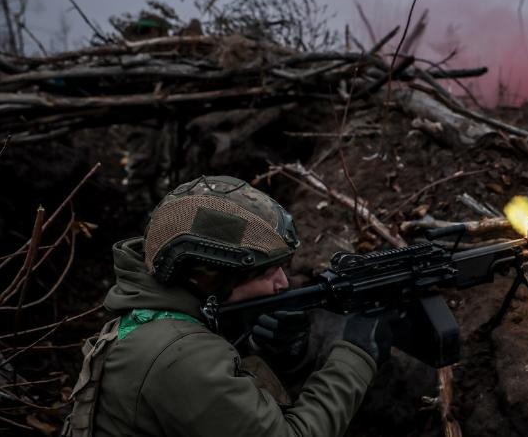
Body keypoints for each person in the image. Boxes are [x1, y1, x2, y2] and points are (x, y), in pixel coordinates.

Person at [63, 175, 393, 437]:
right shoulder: (178, 355)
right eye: (265, 272)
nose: (282, 283)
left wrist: (280, 356)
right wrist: (355, 355)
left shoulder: (154, 322)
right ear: (209, 278)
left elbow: (230, 407)